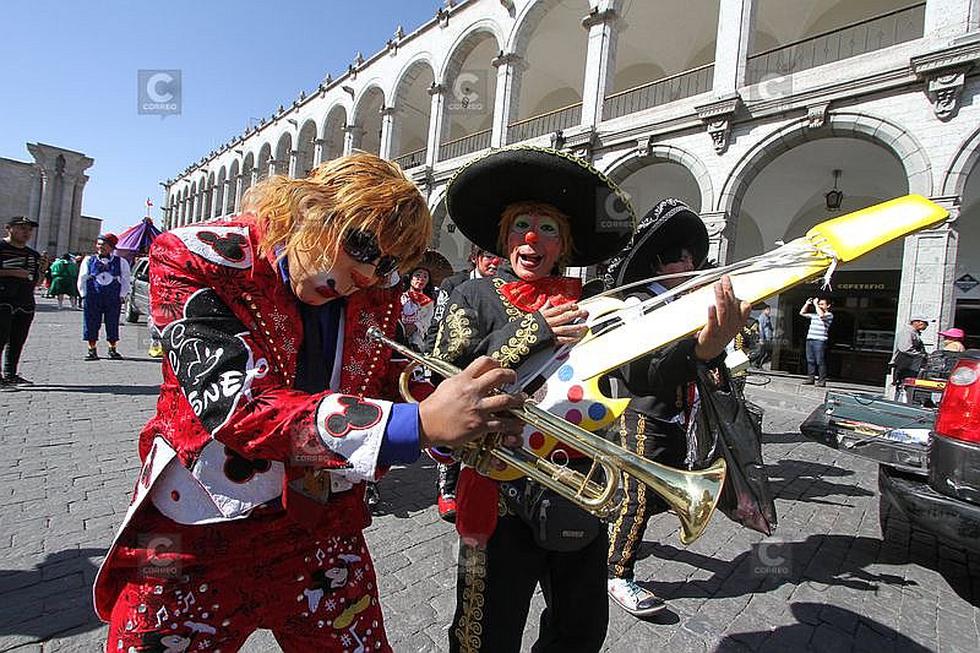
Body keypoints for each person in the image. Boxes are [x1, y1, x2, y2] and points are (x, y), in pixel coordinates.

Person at [94, 153, 524, 653]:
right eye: (363, 247)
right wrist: (422, 424)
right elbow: (239, 406)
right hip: (198, 528)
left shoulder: (375, 291)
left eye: (388, 265)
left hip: (322, 525)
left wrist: (468, 420)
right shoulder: (196, 258)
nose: (369, 274)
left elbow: (387, 381)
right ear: (312, 208)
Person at [430, 146, 640, 652]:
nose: (532, 238)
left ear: (564, 246)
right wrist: (534, 331)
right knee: (484, 631)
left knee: (581, 628)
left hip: (576, 483)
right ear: (504, 238)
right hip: (497, 495)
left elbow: (626, 379)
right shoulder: (471, 297)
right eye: (521, 225)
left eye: (547, 229)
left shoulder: (591, 304)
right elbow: (443, 383)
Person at [601, 198, 750, 617]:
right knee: (637, 497)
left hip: (676, 414)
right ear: (656, 264)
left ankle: (611, 534)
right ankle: (616, 573)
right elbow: (642, 370)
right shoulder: (636, 304)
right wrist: (701, 347)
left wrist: (716, 349)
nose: (688, 262)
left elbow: (709, 362)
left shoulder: (684, 303)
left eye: (690, 255)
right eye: (677, 256)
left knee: (647, 498)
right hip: (639, 412)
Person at [424, 245, 501, 522]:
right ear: (476, 258)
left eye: (498, 257)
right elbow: (438, 323)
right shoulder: (454, 283)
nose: (495, 262)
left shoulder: (505, 285)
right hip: (454, 366)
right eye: (490, 256)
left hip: (491, 369)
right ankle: (446, 491)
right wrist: (432, 365)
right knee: (451, 430)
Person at [0, 217, 41, 389]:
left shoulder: (33, 254)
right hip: (3, 300)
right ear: (8, 228)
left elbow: (36, 281)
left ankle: (11, 374)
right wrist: (13, 273)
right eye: (22, 228)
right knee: (0, 337)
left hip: (24, 302)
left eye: (29, 229)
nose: (26, 232)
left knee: (17, 339)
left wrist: (42, 271)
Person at [78, 234, 131, 360]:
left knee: (112, 322)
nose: (100, 247)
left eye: (104, 244)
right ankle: (92, 349)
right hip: (93, 296)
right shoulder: (89, 260)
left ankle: (112, 349)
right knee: (91, 322)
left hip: (112, 297)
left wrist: (122, 295)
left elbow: (125, 279)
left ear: (111, 247)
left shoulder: (121, 262)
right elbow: (82, 277)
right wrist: (84, 295)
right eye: (99, 244)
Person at [399, 266, 435, 352]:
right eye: (418, 275)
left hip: (416, 341)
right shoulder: (400, 296)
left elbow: (427, 321)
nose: (421, 279)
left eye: (425, 277)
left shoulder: (428, 302)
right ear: (410, 278)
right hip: (397, 335)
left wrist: (415, 326)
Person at [799, 296, 833, 386]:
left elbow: (822, 315)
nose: (820, 306)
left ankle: (822, 380)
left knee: (820, 360)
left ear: (828, 306)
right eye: (819, 304)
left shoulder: (829, 315)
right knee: (810, 360)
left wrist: (815, 304)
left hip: (820, 340)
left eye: (822, 304)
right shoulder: (815, 315)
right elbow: (802, 313)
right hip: (810, 339)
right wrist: (807, 304)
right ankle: (811, 378)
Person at [890, 316, 929, 384]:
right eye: (925, 323)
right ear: (917, 322)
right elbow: (905, 349)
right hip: (906, 365)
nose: (927, 326)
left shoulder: (913, 332)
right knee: (905, 384)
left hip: (911, 365)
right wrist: (921, 355)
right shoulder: (907, 332)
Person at [753, 303, 774, 368]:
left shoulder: (768, 318)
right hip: (764, 339)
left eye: (769, 310)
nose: (769, 311)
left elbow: (769, 329)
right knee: (762, 352)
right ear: (764, 310)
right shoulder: (762, 318)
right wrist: (761, 338)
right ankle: (755, 362)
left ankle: (758, 364)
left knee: (767, 353)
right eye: (767, 310)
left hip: (768, 339)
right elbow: (761, 328)